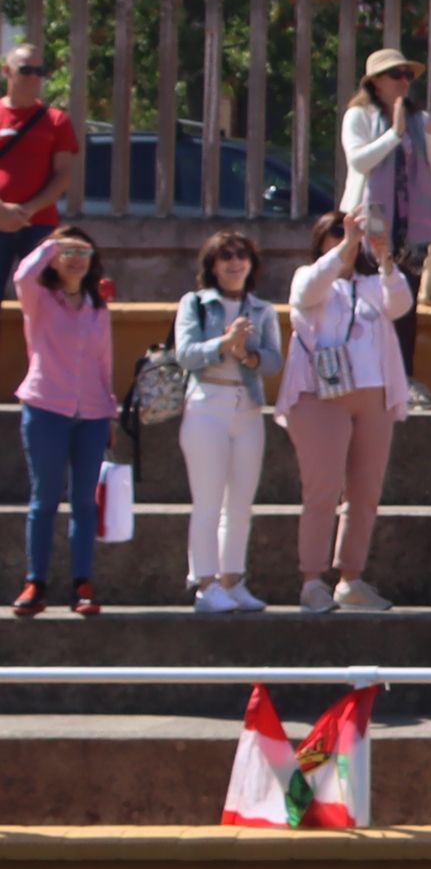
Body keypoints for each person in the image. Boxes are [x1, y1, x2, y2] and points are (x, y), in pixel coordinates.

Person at [277, 210, 409, 614]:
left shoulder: (373, 283)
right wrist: (345, 247)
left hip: (373, 395)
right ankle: (312, 581)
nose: (346, 240)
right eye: (334, 234)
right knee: (323, 490)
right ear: (320, 242)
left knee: (365, 493)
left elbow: (400, 303)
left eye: (351, 233)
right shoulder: (308, 277)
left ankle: (350, 579)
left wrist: (385, 259)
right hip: (319, 397)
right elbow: (306, 296)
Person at [173, 228, 284, 614]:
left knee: (240, 503)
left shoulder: (263, 309)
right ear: (213, 265)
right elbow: (185, 354)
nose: (235, 262)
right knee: (207, 501)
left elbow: (273, 361)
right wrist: (224, 343)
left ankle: (232, 580)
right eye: (226, 256)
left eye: (242, 255)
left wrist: (247, 355)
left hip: (248, 407)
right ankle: (205, 584)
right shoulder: (196, 304)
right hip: (207, 403)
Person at [336, 46, 431, 409]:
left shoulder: (417, 119)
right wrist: (393, 134)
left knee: (404, 304)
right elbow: (358, 160)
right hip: (367, 222)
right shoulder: (358, 116)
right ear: (375, 82)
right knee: (364, 301)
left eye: (408, 75)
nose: (404, 81)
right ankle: (363, 375)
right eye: (395, 75)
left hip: (410, 227)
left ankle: (403, 376)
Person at [12, 222, 116, 618]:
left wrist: (109, 411)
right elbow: (22, 274)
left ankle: (82, 582)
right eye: (67, 254)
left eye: (82, 253)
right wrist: (54, 244)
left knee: (85, 502)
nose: (75, 260)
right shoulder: (39, 299)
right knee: (44, 499)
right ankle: (35, 580)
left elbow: (104, 361)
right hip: (45, 408)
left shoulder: (96, 307)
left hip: (90, 413)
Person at [0, 43, 82, 280]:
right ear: (8, 72)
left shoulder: (56, 120)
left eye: (40, 71)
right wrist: (3, 211)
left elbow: (63, 175)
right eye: (26, 70)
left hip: (39, 224)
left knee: (45, 295)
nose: (34, 77)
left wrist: (27, 211)